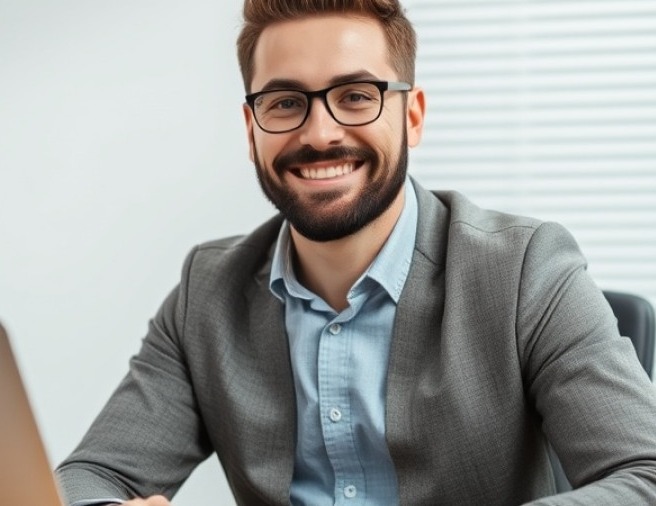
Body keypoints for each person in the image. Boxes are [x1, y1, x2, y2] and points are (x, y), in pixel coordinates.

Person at [55, 0, 656, 505]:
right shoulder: (206, 294)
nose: (319, 134)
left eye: (356, 95)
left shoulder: (526, 269)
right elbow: (93, 476)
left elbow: (643, 474)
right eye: (285, 103)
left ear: (411, 114)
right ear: (250, 129)